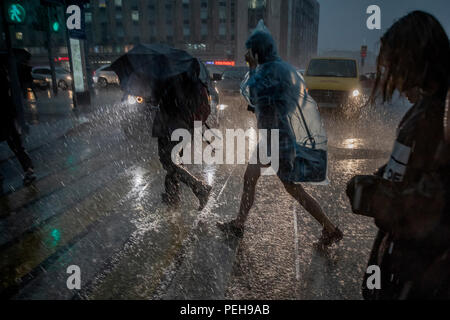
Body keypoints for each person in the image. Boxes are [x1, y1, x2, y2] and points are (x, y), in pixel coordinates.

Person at [346, 11, 450, 299]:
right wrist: (379, 179)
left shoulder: (442, 114)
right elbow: (409, 165)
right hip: (401, 258)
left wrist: (379, 198)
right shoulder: (425, 106)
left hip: (422, 269)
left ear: (418, 58)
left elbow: (434, 203)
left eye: (395, 62)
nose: (389, 71)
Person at [217, 24, 343, 247]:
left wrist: (254, 68)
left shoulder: (269, 73)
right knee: (251, 178)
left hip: (278, 139)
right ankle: (239, 224)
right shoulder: (268, 72)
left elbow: (260, 97)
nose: (246, 55)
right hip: (270, 138)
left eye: (250, 51)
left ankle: (329, 228)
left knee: (292, 188)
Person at [151, 71, 212, 210]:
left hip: (170, 127)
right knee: (174, 162)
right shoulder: (192, 81)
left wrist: (156, 91)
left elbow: (161, 100)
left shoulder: (170, 79)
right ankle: (172, 195)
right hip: (184, 127)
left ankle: (199, 188)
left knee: (169, 162)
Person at [0, 60, 36, 186]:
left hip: (6, 115)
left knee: (16, 143)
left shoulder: (4, 77)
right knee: (17, 144)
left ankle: (28, 169)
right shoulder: (5, 76)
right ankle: (29, 169)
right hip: (8, 114)